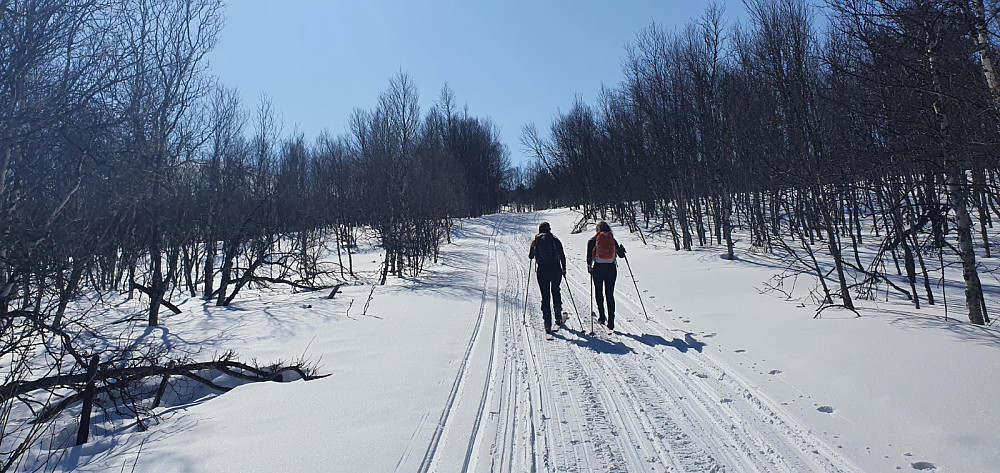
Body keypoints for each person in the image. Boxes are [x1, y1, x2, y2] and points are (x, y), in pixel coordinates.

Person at [587, 221, 626, 331]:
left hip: (598, 268)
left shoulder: (592, 240)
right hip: (611, 268)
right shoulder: (612, 240)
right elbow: (621, 255)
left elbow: (588, 256)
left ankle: (602, 316)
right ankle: (611, 321)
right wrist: (622, 250)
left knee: (599, 292)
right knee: (610, 294)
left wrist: (589, 266)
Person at [528, 222, 566, 334]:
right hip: (555, 269)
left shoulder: (535, 241)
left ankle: (547, 323)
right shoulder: (555, 240)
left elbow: (530, 256)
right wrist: (564, 269)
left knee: (545, 295)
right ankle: (558, 316)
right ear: (549, 229)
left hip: (542, 270)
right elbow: (562, 255)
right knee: (555, 290)